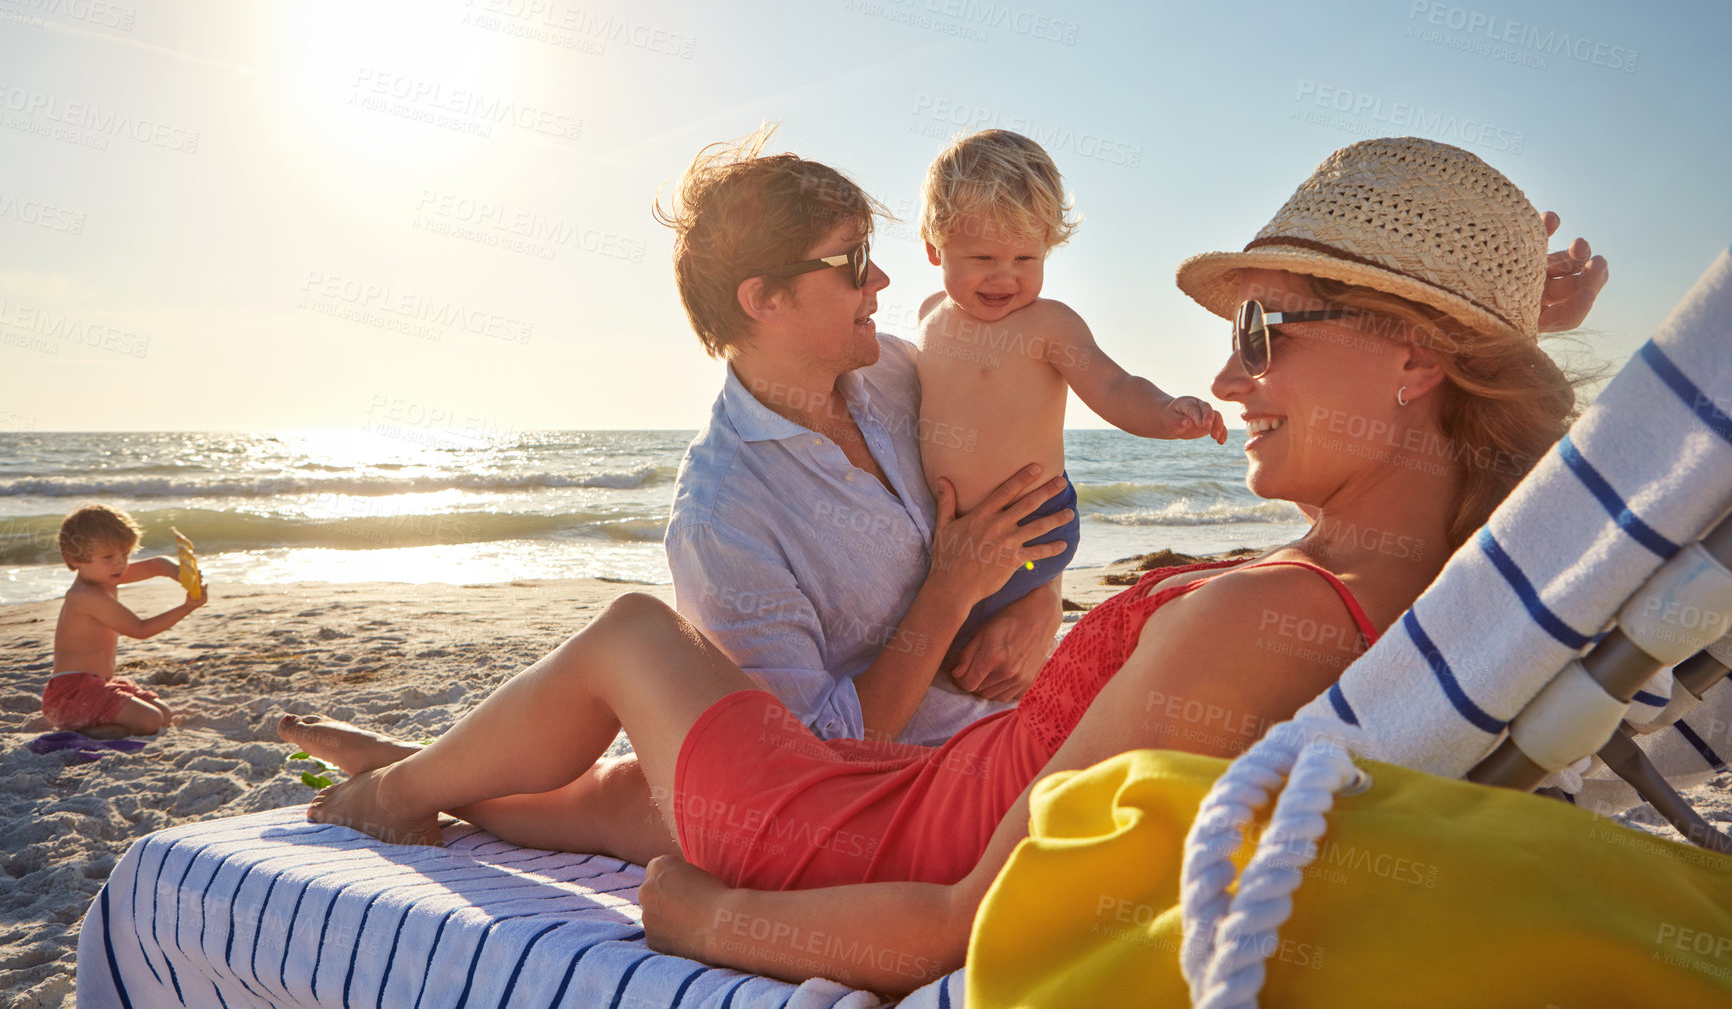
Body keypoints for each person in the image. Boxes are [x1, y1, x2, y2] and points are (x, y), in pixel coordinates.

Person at [279, 136, 1606, 993]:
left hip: (859, 814)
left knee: (634, 646)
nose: (1224, 371)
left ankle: (399, 789)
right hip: (895, 769)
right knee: (620, 793)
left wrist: (696, 920)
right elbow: (1513, 486)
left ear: (1420, 359)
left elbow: (956, 925)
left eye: (1265, 329)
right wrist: (1502, 335)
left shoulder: (1269, 611)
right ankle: (419, 778)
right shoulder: (1421, 573)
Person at [661, 127, 1079, 748]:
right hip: (921, 794)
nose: (880, 278)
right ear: (765, 299)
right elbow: (813, 753)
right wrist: (949, 593)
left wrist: (1040, 600)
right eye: (853, 260)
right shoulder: (721, 519)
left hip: (1042, 732)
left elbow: (1023, 488)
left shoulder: (903, 372)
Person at [915, 129, 1227, 653]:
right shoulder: (928, 317)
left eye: (1025, 259)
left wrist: (1166, 411)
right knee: (959, 654)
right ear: (935, 249)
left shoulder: (1048, 325)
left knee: (993, 656)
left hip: (1034, 525)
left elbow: (1113, 384)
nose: (1004, 278)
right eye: (982, 259)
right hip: (953, 532)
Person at [43, 504, 209, 736]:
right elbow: (140, 629)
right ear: (75, 558)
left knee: (164, 714)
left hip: (99, 686)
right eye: (108, 556)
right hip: (72, 695)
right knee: (150, 720)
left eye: (125, 555)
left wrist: (181, 574)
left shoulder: (105, 575)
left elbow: (156, 565)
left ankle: (108, 728)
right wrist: (186, 608)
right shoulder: (86, 595)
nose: (119, 564)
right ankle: (78, 733)